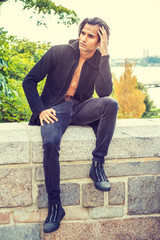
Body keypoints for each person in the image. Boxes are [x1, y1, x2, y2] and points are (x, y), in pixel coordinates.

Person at [23, 17, 118, 233]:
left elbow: (104, 93)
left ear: (100, 41)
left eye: (91, 36)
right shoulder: (59, 52)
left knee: (111, 104)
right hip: (56, 108)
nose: (84, 38)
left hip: (81, 108)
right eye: (83, 33)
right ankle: (55, 205)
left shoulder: (98, 61)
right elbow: (29, 80)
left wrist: (105, 56)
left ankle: (97, 166)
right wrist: (40, 110)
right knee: (49, 143)